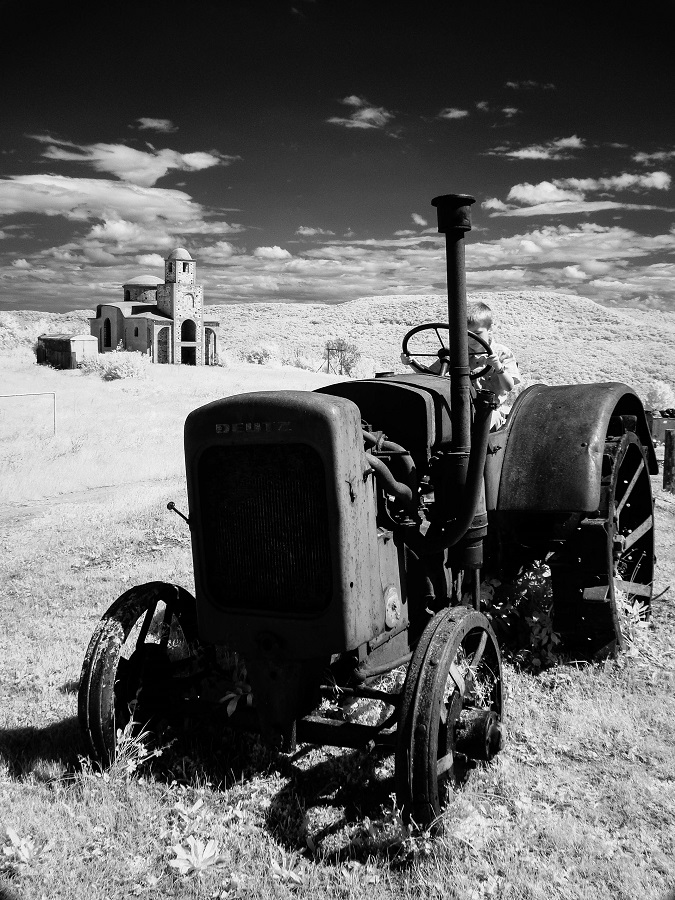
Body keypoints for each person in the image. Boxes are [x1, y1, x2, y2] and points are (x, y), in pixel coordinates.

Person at [401, 301, 521, 430]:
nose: (471, 339)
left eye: (478, 333)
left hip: (492, 411)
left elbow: (508, 387)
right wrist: (411, 362)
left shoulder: (502, 353)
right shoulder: (457, 353)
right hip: (461, 409)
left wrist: (498, 367)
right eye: (467, 334)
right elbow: (431, 376)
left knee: (478, 426)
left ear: (489, 328)